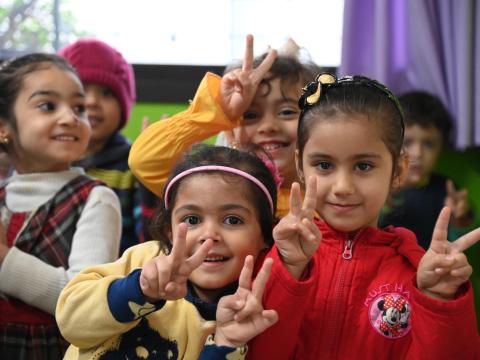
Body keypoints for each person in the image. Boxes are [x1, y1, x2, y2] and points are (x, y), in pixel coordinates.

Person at [247, 73, 480, 359]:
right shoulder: (277, 257)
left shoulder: (420, 275)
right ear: (300, 163)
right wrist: (288, 270)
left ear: (398, 170)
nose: (343, 187)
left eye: (364, 166)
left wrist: (439, 300)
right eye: (323, 164)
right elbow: (257, 351)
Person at [56, 144, 279, 359]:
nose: (209, 235)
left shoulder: (250, 311)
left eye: (232, 220)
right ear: (169, 231)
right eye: (192, 219)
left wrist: (226, 344)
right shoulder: (143, 259)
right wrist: (139, 289)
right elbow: (70, 322)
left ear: (265, 236)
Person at [0, 53, 121, 359]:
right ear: (4, 127)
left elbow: (87, 304)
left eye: (77, 108)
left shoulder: (97, 199)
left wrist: (5, 262)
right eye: (48, 105)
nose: (71, 117)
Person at [129, 34, 320, 218]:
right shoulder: (217, 188)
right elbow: (145, 162)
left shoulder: (331, 197)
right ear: (229, 133)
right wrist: (220, 112)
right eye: (250, 115)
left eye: (287, 112)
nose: (268, 126)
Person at [59, 38, 157, 253]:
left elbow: (150, 244)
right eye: (82, 92)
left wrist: (151, 176)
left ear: (123, 107)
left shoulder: (132, 166)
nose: (92, 102)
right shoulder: (49, 162)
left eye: (106, 93)